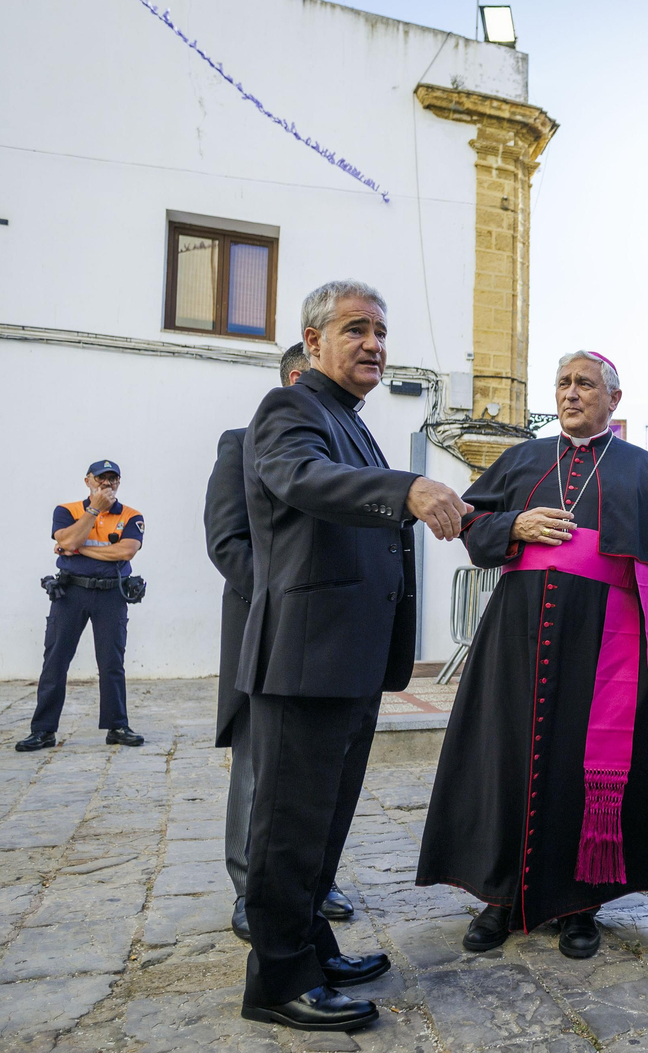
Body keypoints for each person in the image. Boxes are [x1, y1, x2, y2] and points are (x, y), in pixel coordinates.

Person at [417, 351, 648, 959]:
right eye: (564, 384)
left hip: (605, 645)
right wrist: (514, 526)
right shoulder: (523, 458)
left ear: (614, 399)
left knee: (585, 766)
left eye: (585, 384)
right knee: (507, 758)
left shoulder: (645, 470)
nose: (571, 393)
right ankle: (499, 899)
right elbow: (466, 524)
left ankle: (579, 904)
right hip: (515, 635)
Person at [237, 280, 470, 1032]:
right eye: (356, 329)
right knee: (289, 826)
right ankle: (276, 981)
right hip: (307, 658)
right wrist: (405, 490)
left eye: (380, 331)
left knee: (324, 825)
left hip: (353, 660)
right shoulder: (290, 410)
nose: (374, 343)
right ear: (312, 343)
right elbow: (304, 481)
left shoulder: (352, 420)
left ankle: (312, 946)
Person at [204, 344, 357, 943]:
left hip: (327, 637)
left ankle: (310, 883)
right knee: (257, 768)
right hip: (268, 628)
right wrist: (290, 597)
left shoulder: (346, 442)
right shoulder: (241, 443)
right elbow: (227, 543)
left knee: (318, 774)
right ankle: (250, 889)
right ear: (298, 378)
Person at [16, 460, 147, 751]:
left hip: (112, 594)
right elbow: (66, 537)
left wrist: (78, 548)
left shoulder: (131, 515)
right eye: (100, 478)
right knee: (55, 662)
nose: (106, 484)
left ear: (119, 483)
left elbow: (126, 551)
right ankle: (43, 730)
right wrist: (93, 511)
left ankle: (117, 726)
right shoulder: (67, 511)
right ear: (87, 480)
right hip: (71, 593)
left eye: (113, 479)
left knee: (112, 663)